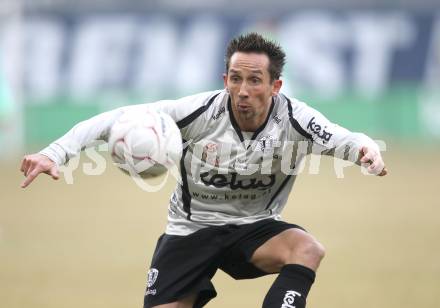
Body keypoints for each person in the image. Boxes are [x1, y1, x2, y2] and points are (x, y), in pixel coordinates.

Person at [20, 33, 387, 308]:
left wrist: (365, 151)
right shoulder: (198, 112)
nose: (242, 90)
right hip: (191, 230)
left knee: (307, 250)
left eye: (254, 80)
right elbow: (111, 120)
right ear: (224, 78)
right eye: (234, 78)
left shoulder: (296, 118)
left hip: (255, 228)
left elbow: (342, 137)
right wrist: (56, 152)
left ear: (275, 86)